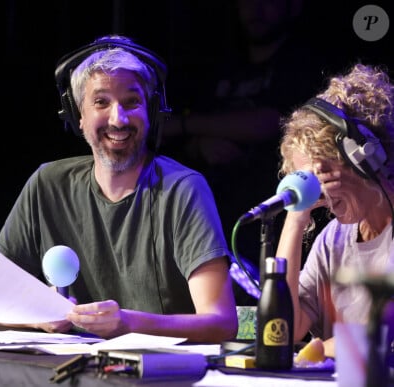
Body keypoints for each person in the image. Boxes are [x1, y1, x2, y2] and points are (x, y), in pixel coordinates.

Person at [0, 35, 238, 342]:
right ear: (78, 116)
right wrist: (40, 317)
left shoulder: (183, 190)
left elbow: (221, 323)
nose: (118, 119)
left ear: (151, 112)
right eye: (101, 102)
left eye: (132, 102)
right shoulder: (47, 184)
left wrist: (129, 323)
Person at [161, 0, 327, 304]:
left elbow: (271, 122)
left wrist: (186, 125)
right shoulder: (223, 63)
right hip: (218, 216)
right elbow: (188, 134)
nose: (255, 8)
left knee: (272, 314)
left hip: (272, 214)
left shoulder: (301, 62)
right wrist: (199, 142)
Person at [274, 63, 394, 358]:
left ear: (362, 157)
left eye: (323, 174)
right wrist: (295, 218)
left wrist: (322, 350)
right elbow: (283, 331)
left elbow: (382, 339)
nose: (319, 193)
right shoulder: (332, 240)